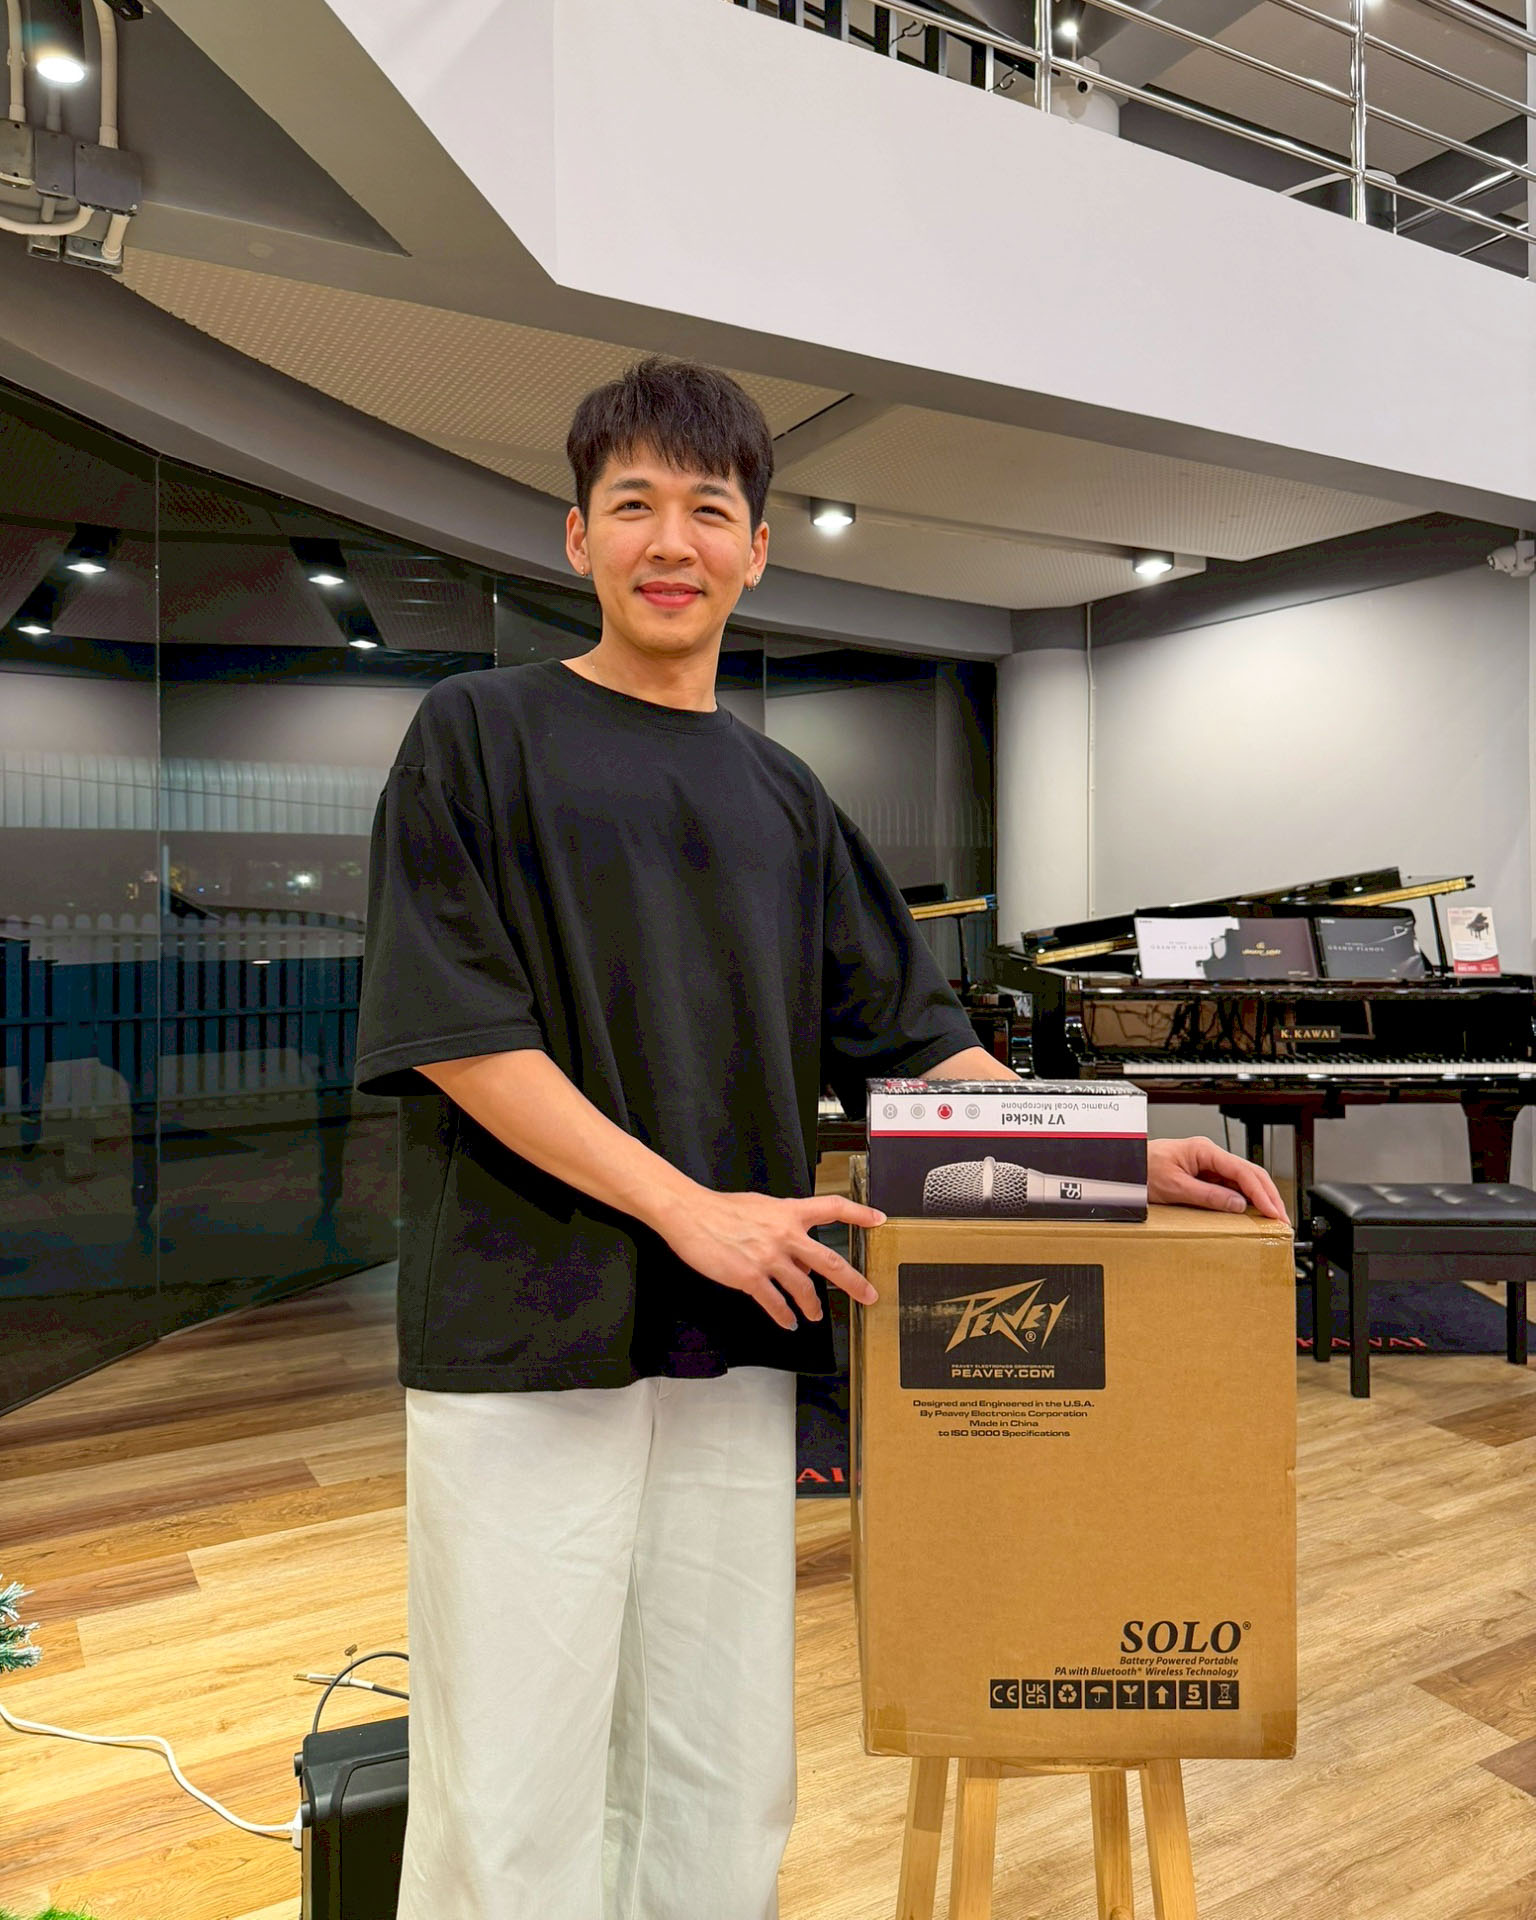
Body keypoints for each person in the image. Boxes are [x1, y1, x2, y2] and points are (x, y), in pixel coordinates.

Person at [352, 357, 1287, 1920]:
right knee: (508, 1772)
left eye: (707, 509)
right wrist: (690, 1208)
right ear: (576, 536)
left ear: (756, 549)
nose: (672, 540)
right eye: (632, 504)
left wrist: (1114, 1157)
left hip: (739, 1324)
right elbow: (457, 1033)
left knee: (718, 1759)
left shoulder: (786, 798)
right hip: (525, 1321)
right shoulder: (476, 733)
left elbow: (920, 1045)